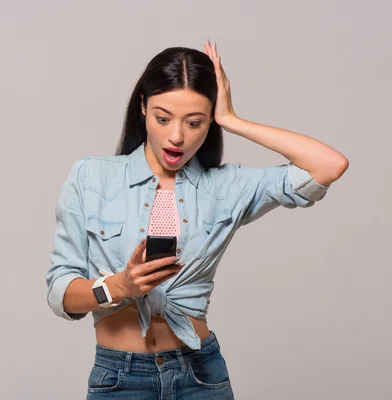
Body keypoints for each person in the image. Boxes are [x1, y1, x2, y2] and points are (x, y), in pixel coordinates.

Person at [45, 40, 349, 399]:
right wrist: (120, 286)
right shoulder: (90, 177)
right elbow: (60, 292)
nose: (177, 136)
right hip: (119, 377)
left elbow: (329, 165)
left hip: (200, 376)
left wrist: (233, 120)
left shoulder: (228, 186)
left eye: (194, 122)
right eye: (163, 118)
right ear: (142, 106)